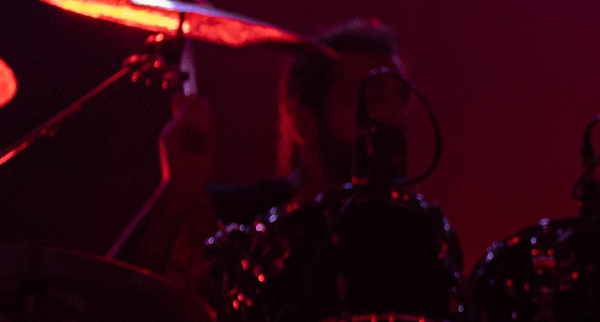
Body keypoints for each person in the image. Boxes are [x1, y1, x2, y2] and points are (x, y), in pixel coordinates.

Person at [111, 17, 409, 281]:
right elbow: (112, 303)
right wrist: (177, 190)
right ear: (303, 121)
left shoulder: (411, 234)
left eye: (401, 99)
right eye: (371, 99)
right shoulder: (235, 220)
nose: (394, 117)